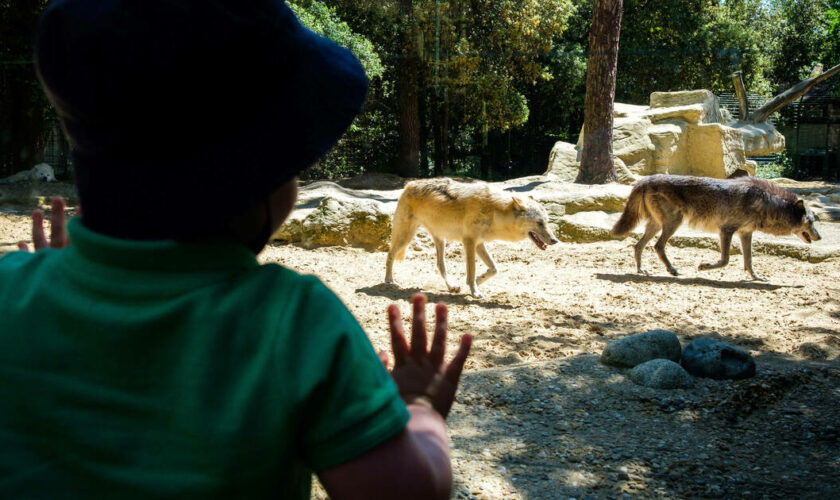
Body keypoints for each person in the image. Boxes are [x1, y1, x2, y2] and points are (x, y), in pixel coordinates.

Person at [0, 1, 471, 499]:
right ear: (256, 181)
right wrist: (419, 407)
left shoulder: (11, 294)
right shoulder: (294, 323)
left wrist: (48, 281)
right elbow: (405, 490)